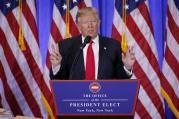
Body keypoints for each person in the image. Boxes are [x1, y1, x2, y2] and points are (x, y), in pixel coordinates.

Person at [50, 7, 135, 80]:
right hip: (76, 97)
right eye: (85, 22)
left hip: (104, 96)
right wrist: (57, 66)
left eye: (93, 21)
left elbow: (121, 78)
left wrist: (127, 67)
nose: (90, 25)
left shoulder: (113, 45)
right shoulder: (66, 46)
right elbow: (59, 79)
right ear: (78, 25)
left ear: (98, 23)